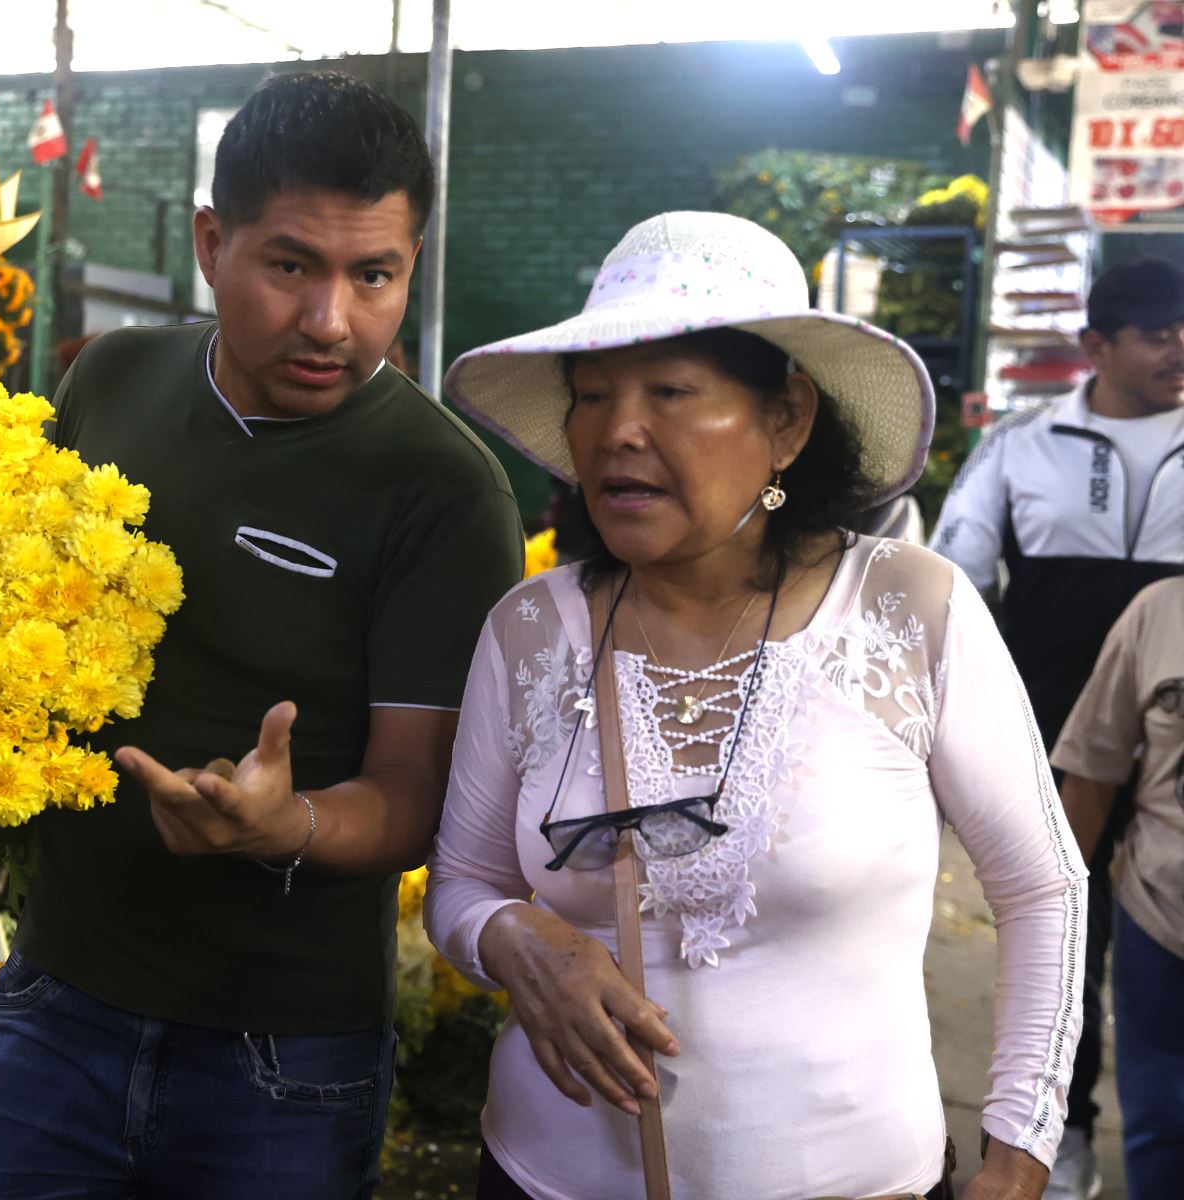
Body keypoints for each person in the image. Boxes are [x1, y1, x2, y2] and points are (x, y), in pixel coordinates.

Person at [0, 72, 523, 1199]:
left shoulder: (446, 491)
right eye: (290, 264)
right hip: (55, 998)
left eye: (375, 275)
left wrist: (282, 822)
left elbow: (412, 797)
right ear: (212, 241)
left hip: (282, 1059)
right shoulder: (112, 382)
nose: (329, 320)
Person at [428, 211, 1085, 1200]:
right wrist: (523, 940)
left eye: (672, 393)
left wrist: (1019, 1148)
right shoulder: (530, 631)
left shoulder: (909, 608)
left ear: (787, 421)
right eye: (594, 397)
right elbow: (461, 885)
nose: (619, 431)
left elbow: (1044, 889)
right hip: (541, 1178)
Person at [930, 256, 1184, 1200]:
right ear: (1097, 345)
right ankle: (1059, 1132)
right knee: (1062, 935)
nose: (1178, 348)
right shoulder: (1021, 446)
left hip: (1171, 757)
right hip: (1047, 747)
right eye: (1157, 332)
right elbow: (954, 580)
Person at [1050, 577, 1184, 1199]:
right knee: (1159, 1126)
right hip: (1160, 922)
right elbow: (1093, 771)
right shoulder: (1160, 612)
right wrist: (1058, 921)